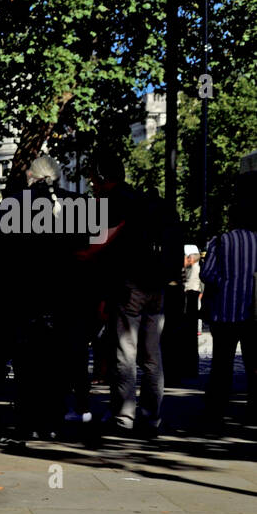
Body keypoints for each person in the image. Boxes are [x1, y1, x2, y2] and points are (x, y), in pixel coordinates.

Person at [77, 153, 169, 436]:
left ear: (104, 178)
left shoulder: (114, 203)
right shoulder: (143, 201)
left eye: (93, 178)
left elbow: (102, 245)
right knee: (153, 357)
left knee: (125, 354)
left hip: (130, 285)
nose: (92, 183)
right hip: (156, 285)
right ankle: (152, 416)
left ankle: (123, 417)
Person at [200, 173, 257, 429]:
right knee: (253, 364)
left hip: (225, 313)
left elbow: (207, 274)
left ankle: (215, 412)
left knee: (221, 366)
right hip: (253, 313)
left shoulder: (221, 241)